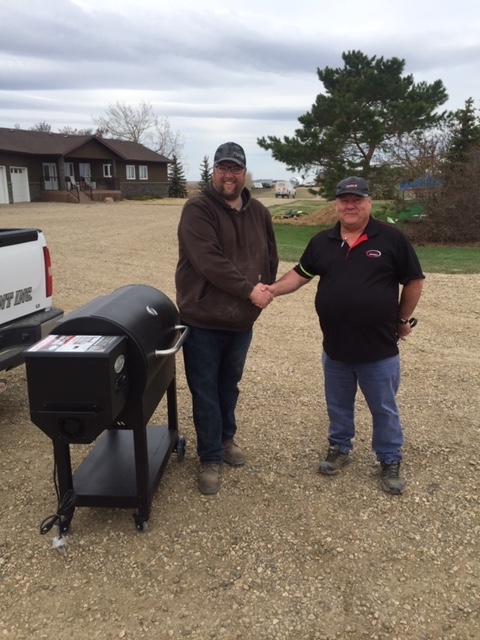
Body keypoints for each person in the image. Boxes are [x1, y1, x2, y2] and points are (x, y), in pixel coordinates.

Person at [266, 177, 424, 494]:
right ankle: (339, 448)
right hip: (335, 349)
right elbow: (300, 275)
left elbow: (414, 281)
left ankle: (389, 458)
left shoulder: (392, 239)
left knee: (384, 408)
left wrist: (401, 318)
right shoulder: (322, 242)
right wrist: (271, 290)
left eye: (357, 200)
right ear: (336, 205)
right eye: (344, 200)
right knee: (338, 406)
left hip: (378, 351)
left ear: (368, 203)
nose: (350, 206)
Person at [175, 142, 278, 495]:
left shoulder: (259, 212)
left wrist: (263, 291)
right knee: (204, 389)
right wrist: (251, 291)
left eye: (235, 168)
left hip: (240, 321)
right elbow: (210, 261)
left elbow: (270, 256)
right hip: (202, 318)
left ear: (244, 172)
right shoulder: (197, 209)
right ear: (213, 172)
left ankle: (226, 437)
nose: (229, 175)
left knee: (228, 385)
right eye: (222, 168)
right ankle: (210, 458)